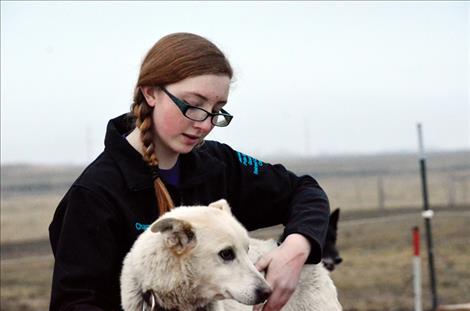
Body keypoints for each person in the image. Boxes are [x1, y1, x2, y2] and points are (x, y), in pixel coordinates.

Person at [49, 32, 330, 311]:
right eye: (194, 105)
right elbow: (74, 302)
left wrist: (295, 249)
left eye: (217, 109)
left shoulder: (219, 165)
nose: (205, 124)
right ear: (150, 92)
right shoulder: (94, 197)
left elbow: (304, 191)